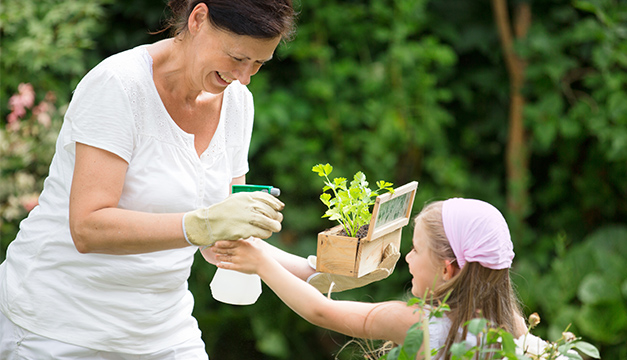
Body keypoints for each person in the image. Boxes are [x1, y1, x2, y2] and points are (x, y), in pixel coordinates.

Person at [0, 1, 309, 359]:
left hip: (162, 330)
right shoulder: (119, 85)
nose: (244, 76)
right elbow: (87, 227)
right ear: (198, 19)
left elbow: (221, 239)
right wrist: (202, 224)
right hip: (58, 327)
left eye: (258, 64)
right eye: (238, 58)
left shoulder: (237, 102)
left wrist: (315, 272)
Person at [211, 198, 529, 359]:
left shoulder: (417, 322)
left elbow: (321, 310)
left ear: (447, 270)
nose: (407, 257)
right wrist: (259, 251)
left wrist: (261, 265)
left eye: (416, 250)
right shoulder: (512, 325)